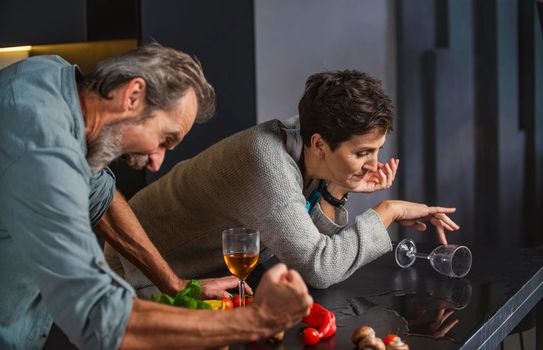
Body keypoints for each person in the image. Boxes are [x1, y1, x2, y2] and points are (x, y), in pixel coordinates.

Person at [0, 43, 312, 350]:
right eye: (164, 139)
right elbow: (100, 317)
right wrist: (258, 320)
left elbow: (100, 198)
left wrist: (176, 286)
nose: (157, 162)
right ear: (133, 95)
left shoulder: (56, 82)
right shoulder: (42, 148)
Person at [105, 70, 460, 294]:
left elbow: (314, 245)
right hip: (138, 275)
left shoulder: (305, 140)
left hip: (218, 273)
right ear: (320, 144)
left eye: (378, 151)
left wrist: (337, 189)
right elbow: (321, 266)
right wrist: (389, 210)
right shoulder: (267, 162)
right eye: (363, 153)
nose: (374, 165)